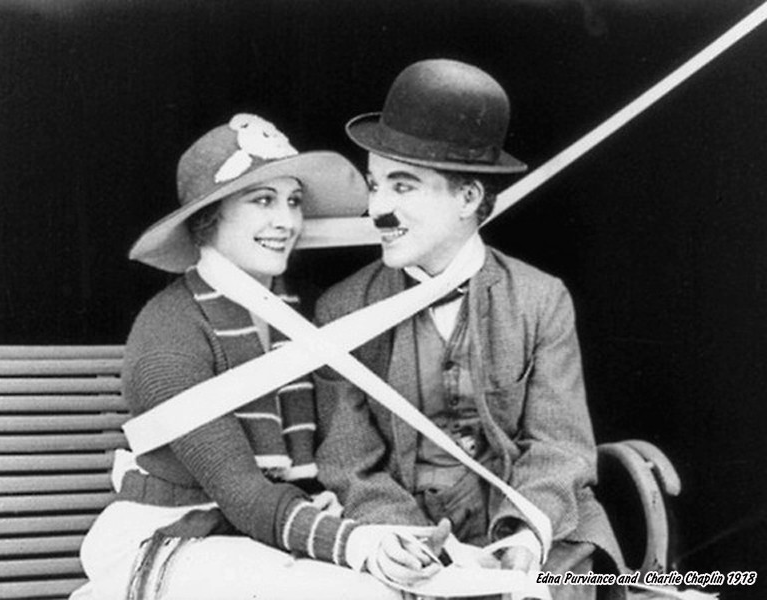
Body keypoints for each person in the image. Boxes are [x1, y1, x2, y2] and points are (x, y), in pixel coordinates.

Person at [71, 113, 445, 600]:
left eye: (293, 201)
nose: (286, 221)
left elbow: (342, 458)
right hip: (170, 541)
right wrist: (357, 544)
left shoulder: (306, 315)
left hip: (264, 538)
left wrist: (386, 532)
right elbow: (243, 494)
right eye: (263, 200)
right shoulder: (167, 333)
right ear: (209, 218)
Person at [314, 59, 627, 599]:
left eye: (403, 186)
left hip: (535, 537)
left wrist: (523, 540)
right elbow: (349, 464)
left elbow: (560, 446)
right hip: (404, 543)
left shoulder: (540, 299)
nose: (378, 210)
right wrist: (407, 545)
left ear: (468, 199)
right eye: (374, 185)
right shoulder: (342, 310)